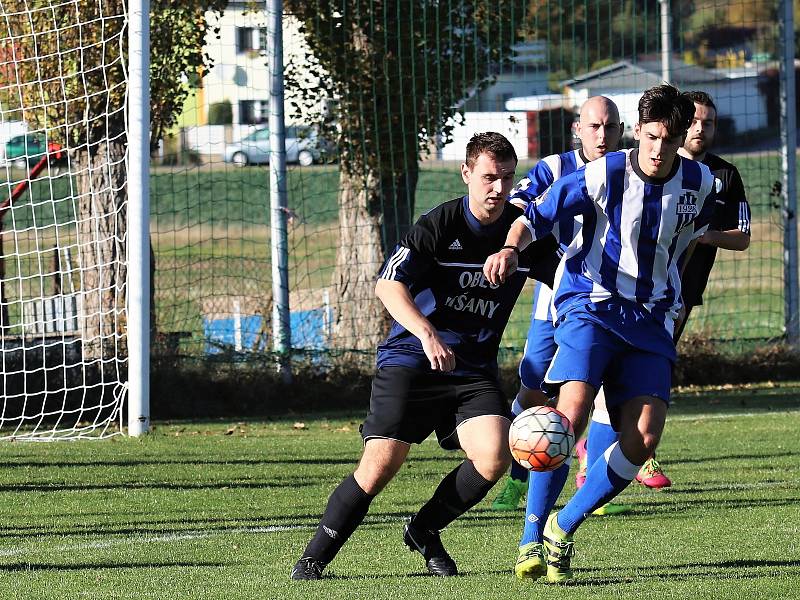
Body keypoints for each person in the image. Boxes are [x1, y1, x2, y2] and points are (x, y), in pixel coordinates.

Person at [290, 132, 560, 580]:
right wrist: (428, 335)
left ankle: (423, 529)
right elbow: (387, 285)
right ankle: (313, 559)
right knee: (380, 467)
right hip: (412, 359)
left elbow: (569, 281)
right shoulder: (441, 224)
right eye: (489, 177)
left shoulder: (523, 234)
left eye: (508, 178)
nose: (498, 188)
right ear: (467, 174)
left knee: (493, 456)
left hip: (471, 368)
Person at [483, 84, 716, 583]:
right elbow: (536, 216)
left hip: (651, 319)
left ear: (682, 139)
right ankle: (529, 538)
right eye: (650, 136)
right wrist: (508, 248)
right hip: (591, 306)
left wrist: (667, 289)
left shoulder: (699, 181)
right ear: (639, 132)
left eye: (668, 140)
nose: (657, 149)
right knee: (565, 418)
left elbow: (686, 239)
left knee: (644, 438)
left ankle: (563, 527)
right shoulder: (603, 173)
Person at [491, 96, 630, 519]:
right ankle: (519, 471)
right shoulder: (554, 167)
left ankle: (585, 474)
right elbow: (519, 207)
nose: (601, 135)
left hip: (611, 300)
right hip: (559, 291)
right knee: (533, 383)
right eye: (593, 126)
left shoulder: (631, 169)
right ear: (578, 129)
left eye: (609, 126)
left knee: (586, 392)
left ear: (621, 130)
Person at [630, 90, 753, 489]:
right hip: (634, 289)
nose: (701, 128)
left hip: (682, 294)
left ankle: (630, 449)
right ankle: (631, 453)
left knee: (651, 369)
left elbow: (743, 237)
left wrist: (703, 235)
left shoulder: (723, 175)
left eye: (709, 123)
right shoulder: (650, 168)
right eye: (695, 121)